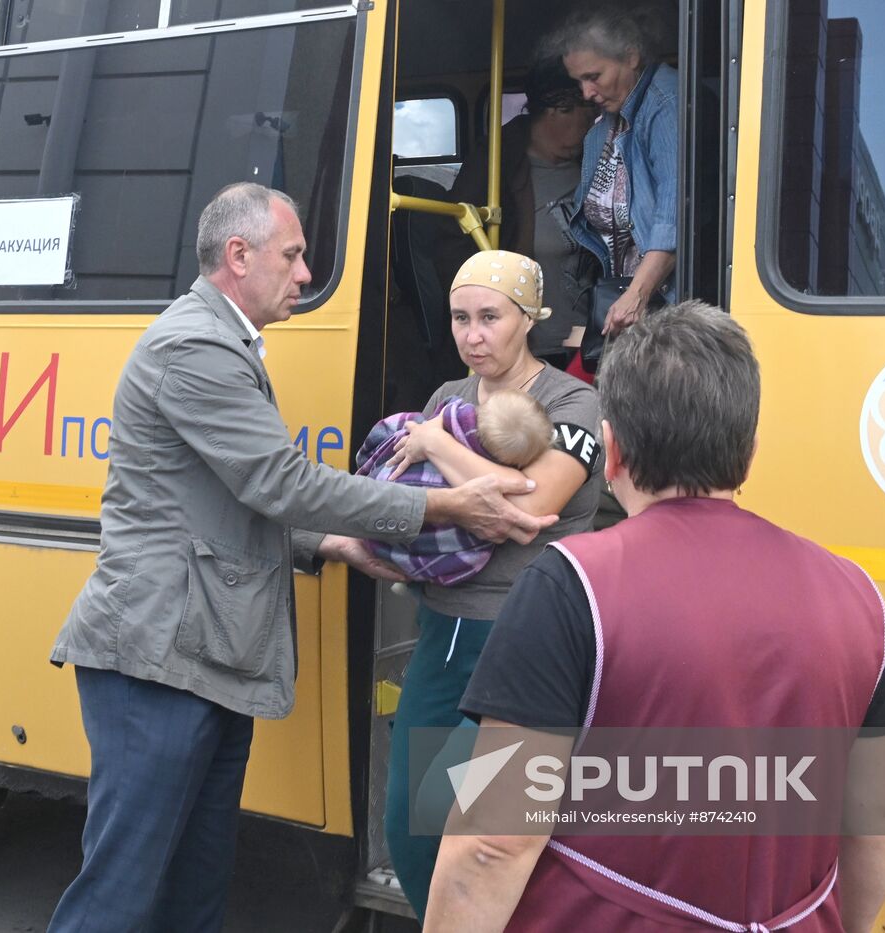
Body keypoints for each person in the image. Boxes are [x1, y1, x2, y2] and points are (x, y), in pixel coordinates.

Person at [45, 184, 557, 933]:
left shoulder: (226, 342)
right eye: (294, 255)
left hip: (203, 658)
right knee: (122, 893)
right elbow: (277, 480)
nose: (308, 273)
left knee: (194, 884)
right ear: (238, 256)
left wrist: (332, 542)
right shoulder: (194, 346)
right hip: (155, 663)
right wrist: (437, 507)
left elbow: (225, 503)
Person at [425, 301, 885, 932]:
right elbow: (877, 820)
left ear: (614, 452)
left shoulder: (571, 584)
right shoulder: (858, 597)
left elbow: (494, 841)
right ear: (749, 453)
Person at [382, 249, 605, 920]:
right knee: (411, 818)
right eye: (459, 318)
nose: (472, 335)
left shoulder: (574, 400)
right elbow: (404, 495)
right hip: (443, 629)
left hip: (528, 633)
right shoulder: (446, 399)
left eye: (490, 317)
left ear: (529, 318)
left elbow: (530, 507)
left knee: (494, 828)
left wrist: (434, 444)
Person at [439, 56, 599, 361]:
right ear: (558, 109)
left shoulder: (593, 166)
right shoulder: (496, 169)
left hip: (587, 344)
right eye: (587, 108)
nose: (593, 118)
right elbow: (453, 251)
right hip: (524, 350)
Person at [557, 4, 679, 343]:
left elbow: (674, 214)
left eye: (594, 77)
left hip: (665, 307)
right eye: (578, 81)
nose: (586, 94)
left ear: (631, 56)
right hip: (623, 305)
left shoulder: (667, 105)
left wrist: (638, 293)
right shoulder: (600, 132)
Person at [355, 389, 553, 586]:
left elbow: (382, 434)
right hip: (392, 552)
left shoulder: (439, 420)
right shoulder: (499, 481)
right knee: (479, 545)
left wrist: (369, 466)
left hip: (370, 504)